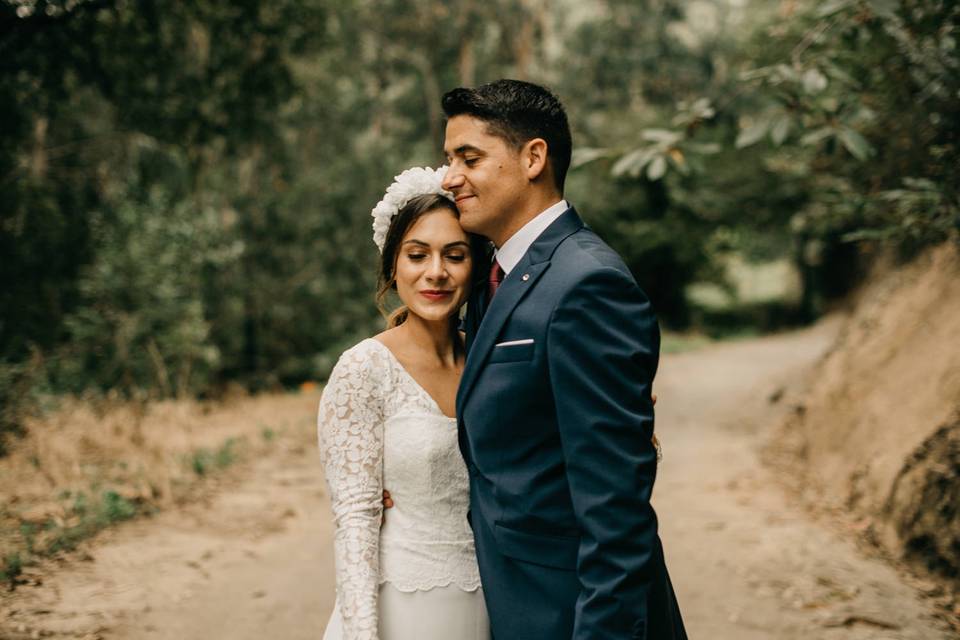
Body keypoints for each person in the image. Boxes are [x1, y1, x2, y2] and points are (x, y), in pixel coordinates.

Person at [441, 79, 686, 639]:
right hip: (509, 602)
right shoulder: (490, 276)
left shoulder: (588, 284)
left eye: (469, 157)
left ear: (533, 158)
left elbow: (614, 506)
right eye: (448, 158)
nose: (449, 175)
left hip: (569, 611)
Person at [317, 167, 491, 640]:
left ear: (474, 265)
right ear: (394, 265)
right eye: (417, 255)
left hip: (498, 604)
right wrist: (361, 633)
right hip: (405, 608)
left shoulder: (491, 358)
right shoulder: (363, 370)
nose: (435, 272)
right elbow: (355, 518)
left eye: (454, 255)